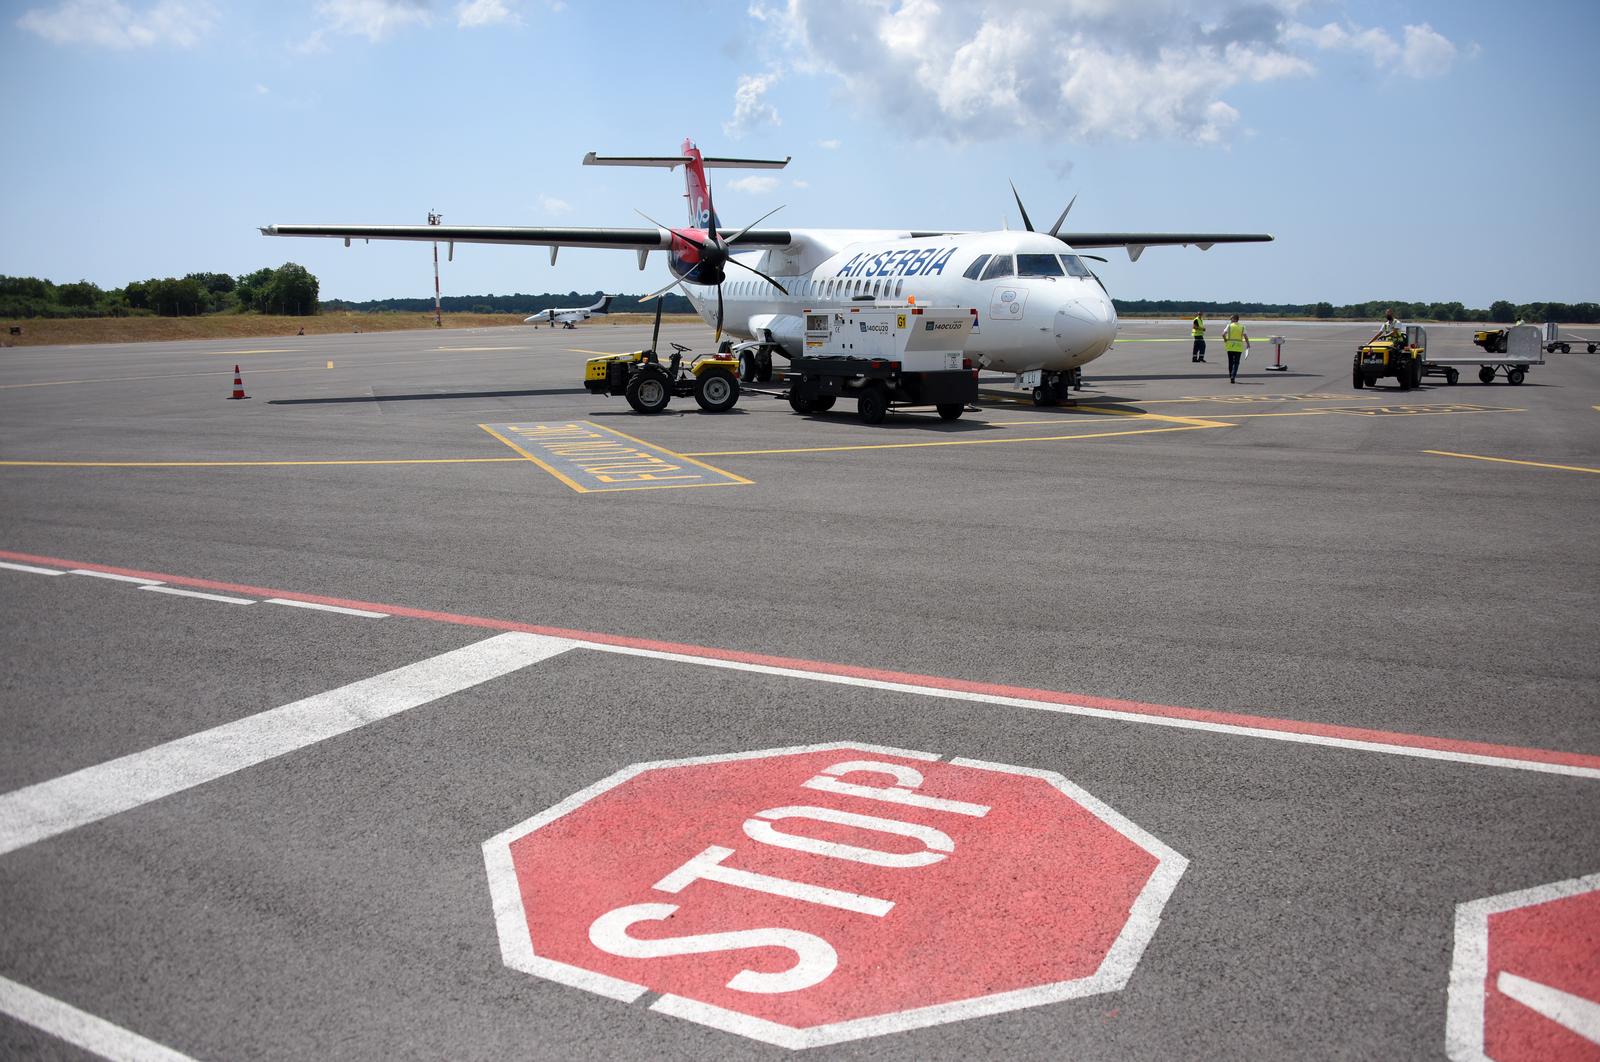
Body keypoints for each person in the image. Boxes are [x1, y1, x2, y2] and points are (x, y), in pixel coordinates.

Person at [1223, 314, 1250, 383]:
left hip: (1230, 347)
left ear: (1234, 319)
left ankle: (1230, 376)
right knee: (1236, 363)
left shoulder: (1229, 326)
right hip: (1238, 347)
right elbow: (1245, 336)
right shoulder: (1242, 327)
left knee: (1230, 362)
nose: (1230, 320)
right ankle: (1233, 376)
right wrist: (1248, 344)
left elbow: (1223, 334)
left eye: (1231, 319)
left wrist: (1225, 339)